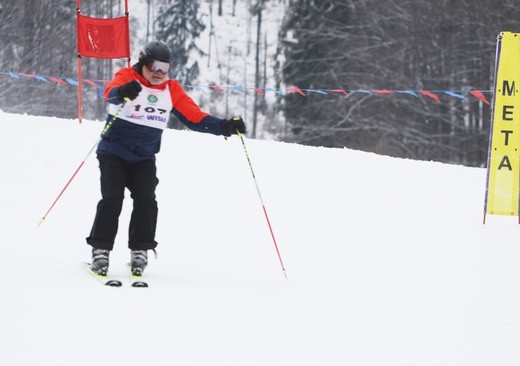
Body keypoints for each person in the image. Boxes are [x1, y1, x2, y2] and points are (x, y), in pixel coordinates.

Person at [86, 40, 246, 277]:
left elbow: (194, 117)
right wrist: (123, 92)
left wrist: (224, 126)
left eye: (165, 67)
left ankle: (140, 250)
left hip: (144, 158)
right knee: (113, 199)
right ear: (142, 62)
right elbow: (110, 94)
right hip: (114, 153)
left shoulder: (171, 89)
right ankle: (101, 249)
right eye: (155, 66)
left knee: (147, 200)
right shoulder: (127, 76)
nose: (160, 73)